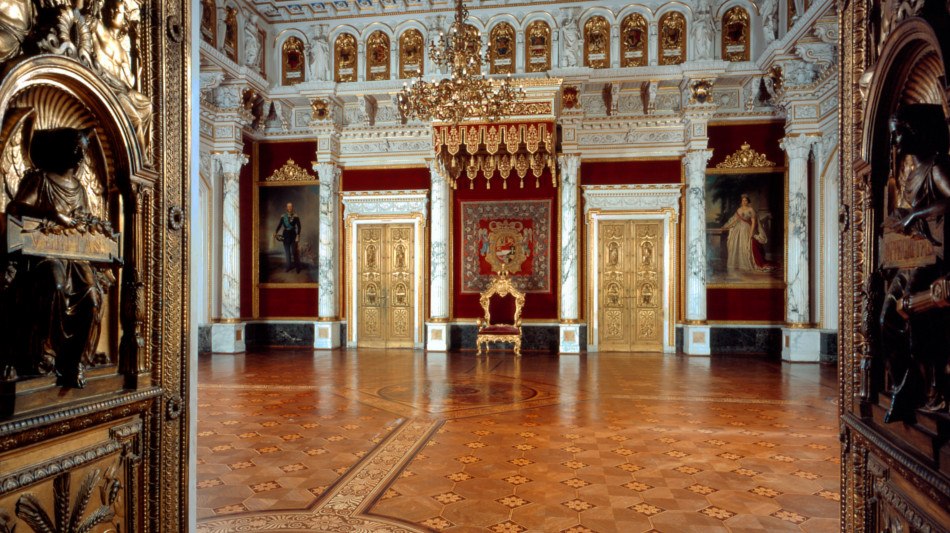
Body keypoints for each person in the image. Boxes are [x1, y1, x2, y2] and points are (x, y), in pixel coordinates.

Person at [5, 128, 115, 388]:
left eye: (83, 154)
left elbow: (84, 221)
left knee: (90, 294)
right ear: (63, 151)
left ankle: (73, 360)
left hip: (73, 255)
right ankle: (46, 354)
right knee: (55, 286)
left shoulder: (78, 188)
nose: (80, 159)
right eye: (77, 152)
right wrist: (51, 213)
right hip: (43, 253)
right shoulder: (41, 179)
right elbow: (15, 207)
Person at [877, 104, 950, 422]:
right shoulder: (911, 172)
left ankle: (919, 388)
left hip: (931, 259)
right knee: (883, 322)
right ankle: (902, 386)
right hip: (911, 257)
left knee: (910, 317)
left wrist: (916, 215)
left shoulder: (937, 167)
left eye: (897, 134)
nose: (894, 142)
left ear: (915, 131)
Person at [722, 194, 775, 273]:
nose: (744, 202)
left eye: (745, 200)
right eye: (743, 200)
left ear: (748, 201)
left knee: (746, 246)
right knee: (737, 245)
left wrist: (751, 233)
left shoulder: (751, 210)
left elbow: (753, 222)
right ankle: (738, 264)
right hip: (738, 229)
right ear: (741, 201)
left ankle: (747, 264)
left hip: (747, 229)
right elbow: (734, 220)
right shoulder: (739, 209)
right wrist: (727, 226)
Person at [274, 202, 302, 272]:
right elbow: (280, 225)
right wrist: (276, 232)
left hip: (293, 235)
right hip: (285, 235)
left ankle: (297, 267)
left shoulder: (296, 216)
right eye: (288, 207)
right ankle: (288, 266)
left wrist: (298, 235)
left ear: (292, 208)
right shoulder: (283, 216)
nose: (289, 208)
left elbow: (299, 226)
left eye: (291, 206)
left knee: (294, 251)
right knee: (287, 252)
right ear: (286, 208)